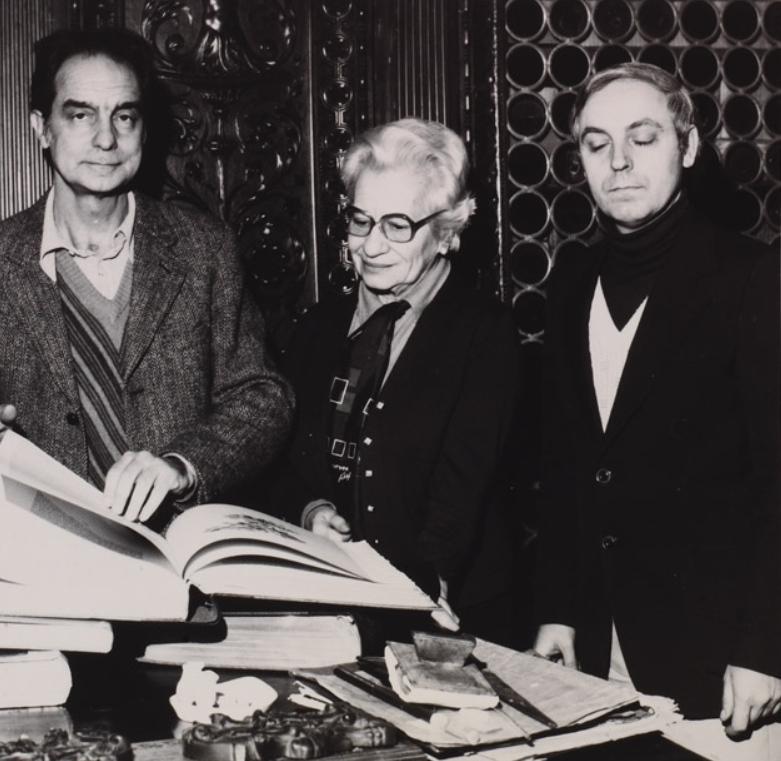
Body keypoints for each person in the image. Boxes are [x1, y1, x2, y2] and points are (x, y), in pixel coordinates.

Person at [0, 28, 292, 526]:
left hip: (179, 546)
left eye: (124, 116)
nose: (105, 139)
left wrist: (184, 466)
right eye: (80, 115)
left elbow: (263, 396)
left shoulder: (205, 249)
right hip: (44, 550)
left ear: (144, 130)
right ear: (41, 128)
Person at [533, 63, 781, 757]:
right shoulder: (570, 282)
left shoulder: (753, 276)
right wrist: (557, 610)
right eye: (596, 143)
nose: (618, 161)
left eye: (642, 138)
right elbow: (567, 466)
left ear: (689, 146)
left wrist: (766, 647)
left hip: (724, 663)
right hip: (599, 650)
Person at [270, 118, 521, 644]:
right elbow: (279, 456)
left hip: (446, 609)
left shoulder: (484, 332)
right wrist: (311, 510)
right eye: (361, 221)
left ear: (446, 232)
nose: (371, 245)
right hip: (331, 595)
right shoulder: (317, 326)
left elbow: (463, 485)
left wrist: (426, 586)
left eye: (397, 225)